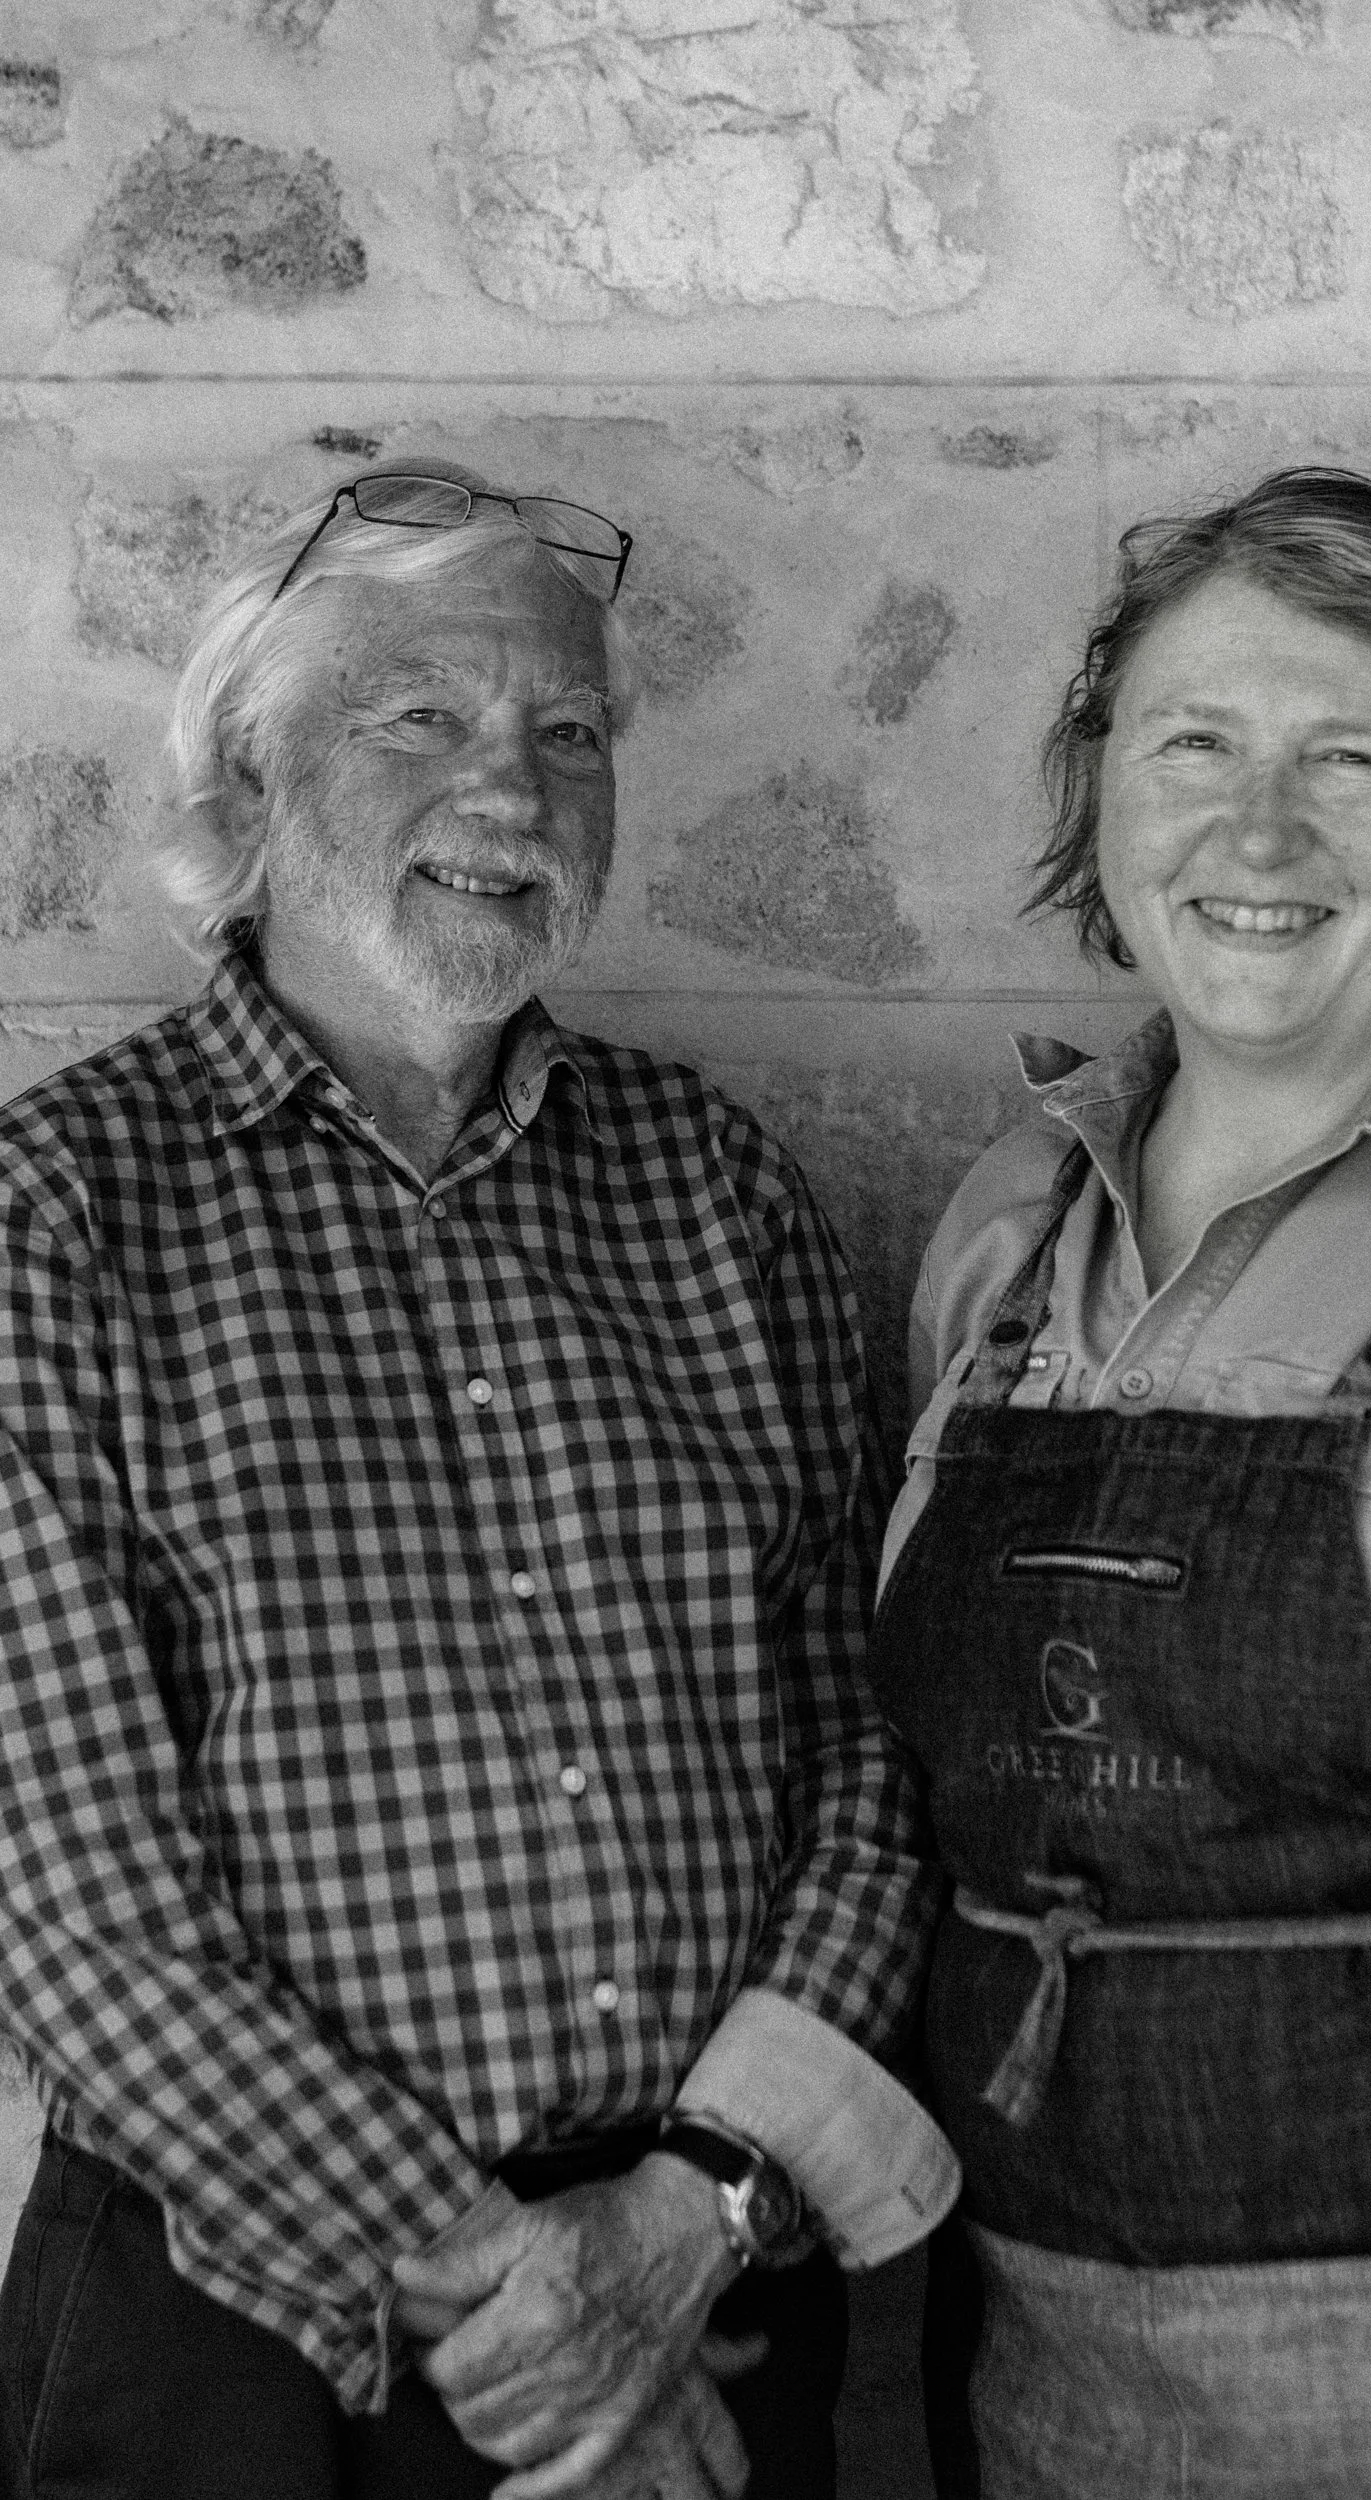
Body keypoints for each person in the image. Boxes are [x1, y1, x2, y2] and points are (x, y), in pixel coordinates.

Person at [0, 463, 958, 2500]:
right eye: (420, 715)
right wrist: (523, 2295)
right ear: (248, 782)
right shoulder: (53, 1221)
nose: (512, 791)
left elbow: (868, 1769)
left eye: (570, 733)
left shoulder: (715, 1191)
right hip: (241, 2319)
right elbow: (77, 1908)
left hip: (709, 2279)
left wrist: (681, 2219)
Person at [867, 467, 1371, 2500]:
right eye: (1195, 746)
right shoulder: (1006, 1227)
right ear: (1103, 792)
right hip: (1038, 2360)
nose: (1258, 832)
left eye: (1353, 758)